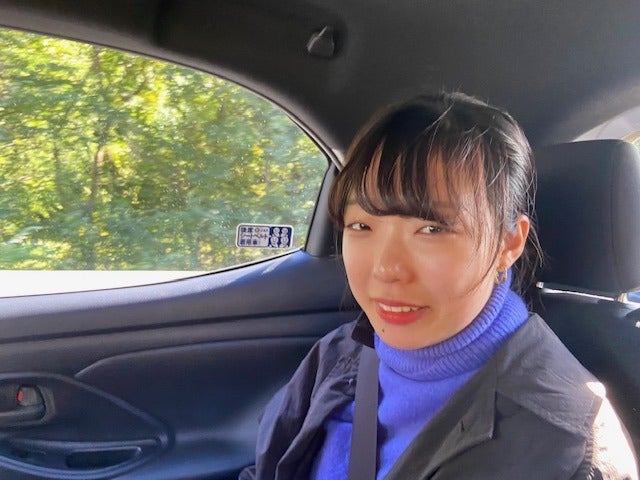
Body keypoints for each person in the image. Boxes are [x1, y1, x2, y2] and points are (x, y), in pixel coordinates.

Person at [239, 92, 638, 479]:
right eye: (361, 225)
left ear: (508, 244)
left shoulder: (566, 451)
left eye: (432, 228)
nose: (386, 268)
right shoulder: (338, 356)